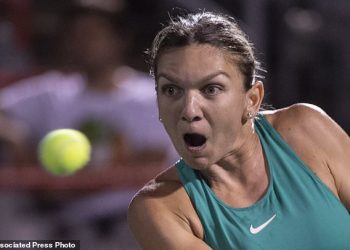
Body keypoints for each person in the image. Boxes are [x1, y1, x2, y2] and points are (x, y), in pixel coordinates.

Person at [127, 11, 350, 249]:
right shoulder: (159, 206)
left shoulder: (307, 129)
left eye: (211, 89)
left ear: (252, 100)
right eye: (171, 90)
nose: (189, 110)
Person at [0, 3, 177, 167]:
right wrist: (16, 136)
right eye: (75, 35)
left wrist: (69, 185)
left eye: (92, 34)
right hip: (65, 202)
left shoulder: (152, 94)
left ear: (120, 39)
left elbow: (154, 159)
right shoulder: (51, 92)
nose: (82, 43)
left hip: (139, 200)